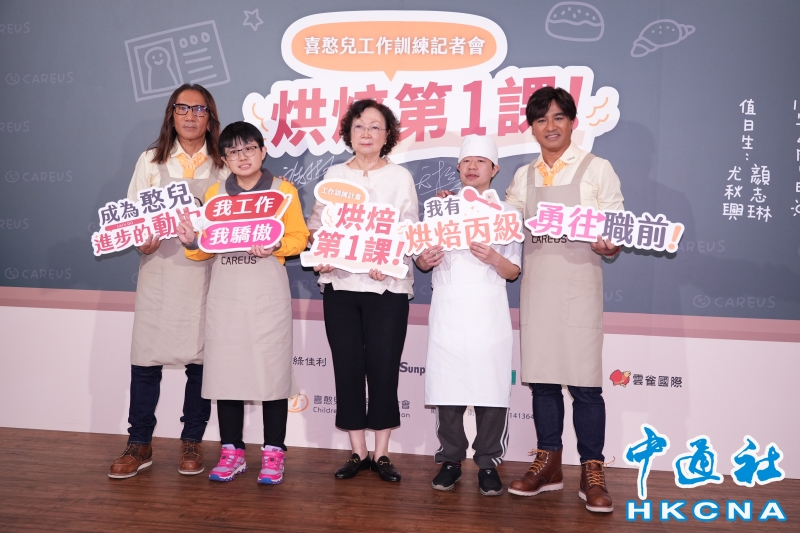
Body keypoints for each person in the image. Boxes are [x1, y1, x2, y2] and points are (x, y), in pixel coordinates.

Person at [504, 87, 624, 513]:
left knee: (587, 386)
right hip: (538, 288)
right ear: (532, 128)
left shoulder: (597, 168)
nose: (550, 126)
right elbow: (503, 221)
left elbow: (616, 226)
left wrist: (611, 243)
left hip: (580, 287)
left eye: (558, 118)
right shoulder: (524, 176)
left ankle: (592, 470)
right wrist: (459, 209)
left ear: (572, 122)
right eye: (541, 120)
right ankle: (548, 464)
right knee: (543, 382)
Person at [177, 121, 309, 484]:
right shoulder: (216, 193)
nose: (242, 156)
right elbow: (205, 248)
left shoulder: (283, 190)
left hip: (267, 293)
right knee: (227, 372)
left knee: (272, 371)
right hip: (226, 295)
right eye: (233, 151)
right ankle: (232, 451)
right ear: (224, 158)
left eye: (249, 148)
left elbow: (299, 237)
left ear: (263, 151)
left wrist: (277, 245)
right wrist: (191, 241)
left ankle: (274, 452)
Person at [109, 84, 227, 479]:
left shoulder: (224, 163)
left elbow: (231, 221)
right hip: (159, 270)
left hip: (206, 272)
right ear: (171, 115)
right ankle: (139, 442)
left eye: (199, 109)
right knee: (146, 360)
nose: (191, 116)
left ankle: (191, 440)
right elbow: (132, 217)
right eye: (183, 108)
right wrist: (141, 239)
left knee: (201, 361)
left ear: (210, 118)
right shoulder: (150, 160)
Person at [306, 99, 418, 482]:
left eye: (375, 126)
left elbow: (409, 229)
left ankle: (382, 453)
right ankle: (358, 451)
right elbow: (318, 226)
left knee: (384, 368)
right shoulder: (334, 174)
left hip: (387, 287)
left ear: (388, 136)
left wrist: (389, 257)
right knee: (347, 366)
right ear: (348, 133)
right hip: (341, 285)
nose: (366, 133)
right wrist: (322, 254)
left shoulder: (400, 177)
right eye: (359, 126)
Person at [416, 135, 521, 496]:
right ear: (458, 168)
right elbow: (421, 258)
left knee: (491, 388)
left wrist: (493, 257)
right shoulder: (439, 209)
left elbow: (513, 271)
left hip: (489, 310)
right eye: (467, 161)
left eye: (481, 161)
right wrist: (423, 260)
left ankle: (488, 462)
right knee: (447, 388)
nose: (473, 167)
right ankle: (451, 460)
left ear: (495, 169)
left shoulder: (507, 214)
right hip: (447, 307)